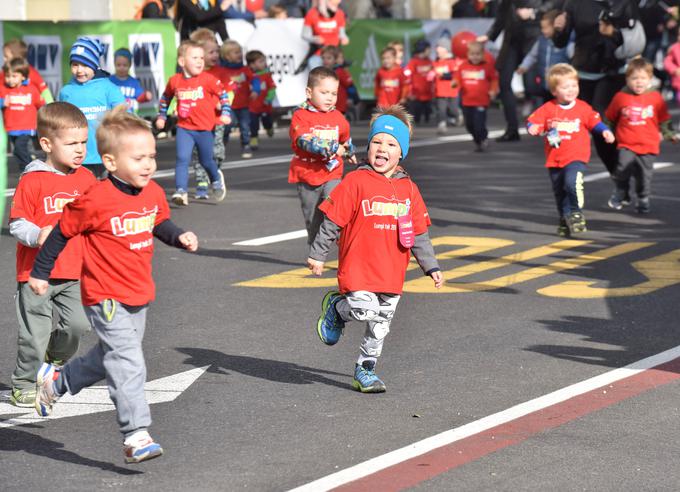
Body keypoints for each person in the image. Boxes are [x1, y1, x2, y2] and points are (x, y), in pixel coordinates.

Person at [30, 106, 199, 464]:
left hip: (138, 291)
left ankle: (57, 383)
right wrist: (41, 272)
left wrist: (178, 235)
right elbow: (61, 232)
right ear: (109, 161)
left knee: (111, 359)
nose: (148, 164)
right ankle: (135, 434)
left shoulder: (151, 191)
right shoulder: (96, 198)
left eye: (152, 156)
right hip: (104, 295)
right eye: (138, 158)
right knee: (128, 360)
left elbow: (159, 221)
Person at [307, 105, 442, 393]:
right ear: (368, 147)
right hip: (359, 267)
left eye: (391, 144)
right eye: (377, 142)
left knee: (380, 325)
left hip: (392, 273)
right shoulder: (356, 181)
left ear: (402, 152)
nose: (382, 149)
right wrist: (318, 254)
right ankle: (338, 307)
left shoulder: (410, 190)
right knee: (363, 309)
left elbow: (419, 233)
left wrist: (431, 266)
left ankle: (365, 370)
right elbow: (332, 221)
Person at [7, 102, 95, 408]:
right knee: (35, 334)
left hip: (75, 271)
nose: (80, 149)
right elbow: (17, 224)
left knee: (79, 326)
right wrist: (38, 235)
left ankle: (50, 360)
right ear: (46, 144)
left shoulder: (85, 180)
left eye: (84, 141)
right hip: (35, 274)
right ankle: (23, 383)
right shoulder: (32, 180)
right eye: (71, 143)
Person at [552, 0, 641, 174]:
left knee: (605, 121)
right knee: (597, 129)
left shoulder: (624, 3)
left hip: (614, 72)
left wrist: (613, 33)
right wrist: (559, 29)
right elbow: (560, 42)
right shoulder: (574, 4)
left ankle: (626, 166)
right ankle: (618, 173)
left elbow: (634, 39)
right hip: (585, 71)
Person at [527, 63, 615, 236]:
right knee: (559, 192)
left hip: (576, 156)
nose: (571, 90)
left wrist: (605, 131)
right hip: (554, 157)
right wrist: (532, 127)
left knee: (572, 182)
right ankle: (564, 218)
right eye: (565, 87)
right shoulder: (548, 108)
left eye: (574, 85)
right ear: (554, 91)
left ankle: (575, 212)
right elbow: (533, 121)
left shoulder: (582, 108)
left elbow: (594, 122)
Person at [156, 40, 231, 206]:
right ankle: (181, 191)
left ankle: (216, 178)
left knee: (206, 161)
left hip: (205, 129)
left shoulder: (208, 79)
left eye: (202, 58)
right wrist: (162, 116)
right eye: (195, 57)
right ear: (182, 62)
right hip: (185, 128)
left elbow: (224, 96)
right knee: (182, 158)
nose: (199, 61)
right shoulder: (175, 81)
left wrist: (225, 113)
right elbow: (165, 98)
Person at [289, 66, 353, 252]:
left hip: (332, 172)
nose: (330, 97)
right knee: (313, 219)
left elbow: (346, 140)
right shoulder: (300, 116)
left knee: (335, 207)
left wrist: (349, 151)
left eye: (333, 93)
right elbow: (305, 142)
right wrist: (334, 147)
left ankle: (344, 241)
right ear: (309, 92)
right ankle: (316, 249)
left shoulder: (338, 116)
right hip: (307, 174)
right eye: (324, 92)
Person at [605, 57, 676, 214]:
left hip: (648, 144)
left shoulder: (655, 97)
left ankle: (643, 197)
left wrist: (670, 133)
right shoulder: (620, 97)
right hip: (626, 143)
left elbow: (664, 118)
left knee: (644, 176)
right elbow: (610, 117)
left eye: (643, 78)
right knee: (622, 168)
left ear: (650, 79)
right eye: (634, 78)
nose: (638, 82)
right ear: (627, 79)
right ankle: (621, 190)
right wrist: (606, 131)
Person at [58, 37, 127, 178]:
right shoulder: (66, 91)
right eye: (75, 65)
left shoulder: (107, 87)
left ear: (94, 65)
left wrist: (109, 122)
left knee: (106, 193)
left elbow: (121, 107)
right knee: (81, 195)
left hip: (104, 153)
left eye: (85, 65)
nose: (79, 70)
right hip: (76, 156)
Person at [478, 0, 544, 142]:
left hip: (532, 38)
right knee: (504, 82)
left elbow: (553, 5)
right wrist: (489, 35)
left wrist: (533, 12)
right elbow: (501, 17)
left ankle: (544, 114)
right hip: (511, 41)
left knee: (532, 86)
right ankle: (512, 129)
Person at [189, 28, 233, 199]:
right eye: (211, 52)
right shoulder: (192, 74)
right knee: (198, 151)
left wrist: (223, 105)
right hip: (197, 121)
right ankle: (201, 183)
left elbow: (230, 92)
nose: (215, 55)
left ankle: (215, 170)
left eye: (217, 51)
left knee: (217, 151)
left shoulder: (221, 72)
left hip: (217, 119)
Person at [517, 10, 573, 109]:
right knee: (547, 106)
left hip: (561, 85)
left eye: (545, 28)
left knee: (561, 107)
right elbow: (532, 55)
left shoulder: (567, 41)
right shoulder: (541, 41)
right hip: (546, 83)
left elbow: (572, 56)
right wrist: (524, 66)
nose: (543, 31)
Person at [0, 58, 45, 170]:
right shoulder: (3, 89)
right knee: (19, 153)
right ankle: (27, 168)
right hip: (11, 128)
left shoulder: (31, 89)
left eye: (14, 76)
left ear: (23, 76)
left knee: (19, 149)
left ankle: (29, 169)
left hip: (27, 127)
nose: (10, 79)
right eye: (7, 76)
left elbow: (41, 104)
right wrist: (2, 102)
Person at [454, 41, 498, 152]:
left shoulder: (487, 67)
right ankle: (478, 141)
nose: (475, 57)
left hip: (481, 101)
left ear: (483, 55)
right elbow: (457, 78)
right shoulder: (463, 66)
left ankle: (483, 138)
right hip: (466, 101)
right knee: (469, 125)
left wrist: (493, 90)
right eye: (472, 54)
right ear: (468, 54)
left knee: (479, 123)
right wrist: (455, 83)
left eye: (478, 54)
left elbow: (494, 79)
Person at [220, 40, 257, 159]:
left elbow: (255, 80)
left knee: (245, 126)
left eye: (240, 51)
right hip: (229, 106)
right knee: (228, 125)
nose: (240, 54)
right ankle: (222, 144)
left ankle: (246, 144)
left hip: (244, 105)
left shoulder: (245, 69)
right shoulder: (223, 71)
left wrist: (256, 90)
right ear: (227, 56)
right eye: (236, 52)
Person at [3, 38, 54, 103]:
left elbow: (44, 90)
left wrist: (50, 107)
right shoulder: (4, 73)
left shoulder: (31, 72)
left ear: (17, 57)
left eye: (6, 56)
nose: (4, 59)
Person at [246, 49, 276, 150]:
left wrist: (269, 99)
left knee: (266, 121)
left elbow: (272, 88)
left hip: (265, 105)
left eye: (264, 61)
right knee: (253, 123)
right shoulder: (248, 75)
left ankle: (269, 128)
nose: (264, 63)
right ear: (252, 65)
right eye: (261, 61)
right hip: (252, 106)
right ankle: (254, 137)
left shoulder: (266, 75)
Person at [432, 37, 462, 134]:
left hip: (452, 91)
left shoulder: (451, 61)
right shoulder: (435, 62)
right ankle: (442, 124)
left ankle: (458, 114)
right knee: (441, 109)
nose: (438, 49)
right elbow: (432, 73)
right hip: (440, 91)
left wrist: (444, 75)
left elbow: (455, 74)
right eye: (437, 47)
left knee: (452, 109)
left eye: (440, 47)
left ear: (446, 49)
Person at [109, 48, 153, 114]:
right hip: (113, 116)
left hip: (128, 116)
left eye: (125, 65)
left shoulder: (134, 82)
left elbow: (139, 97)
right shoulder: (109, 81)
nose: (121, 68)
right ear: (114, 64)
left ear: (130, 65)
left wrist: (145, 96)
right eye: (118, 65)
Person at [320, 45, 358, 115]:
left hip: (339, 106)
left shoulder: (340, 72)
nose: (325, 60)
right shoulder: (322, 73)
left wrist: (351, 98)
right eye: (323, 58)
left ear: (335, 60)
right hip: (327, 106)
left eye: (329, 58)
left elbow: (350, 86)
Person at [404, 39, 435, 125]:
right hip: (417, 93)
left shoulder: (429, 61)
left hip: (428, 92)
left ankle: (427, 121)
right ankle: (416, 124)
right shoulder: (414, 62)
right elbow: (407, 75)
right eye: (429, 49)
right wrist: (410, 91)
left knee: (427, 110)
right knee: (416, 110)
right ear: (424, 49)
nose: (430, 51)